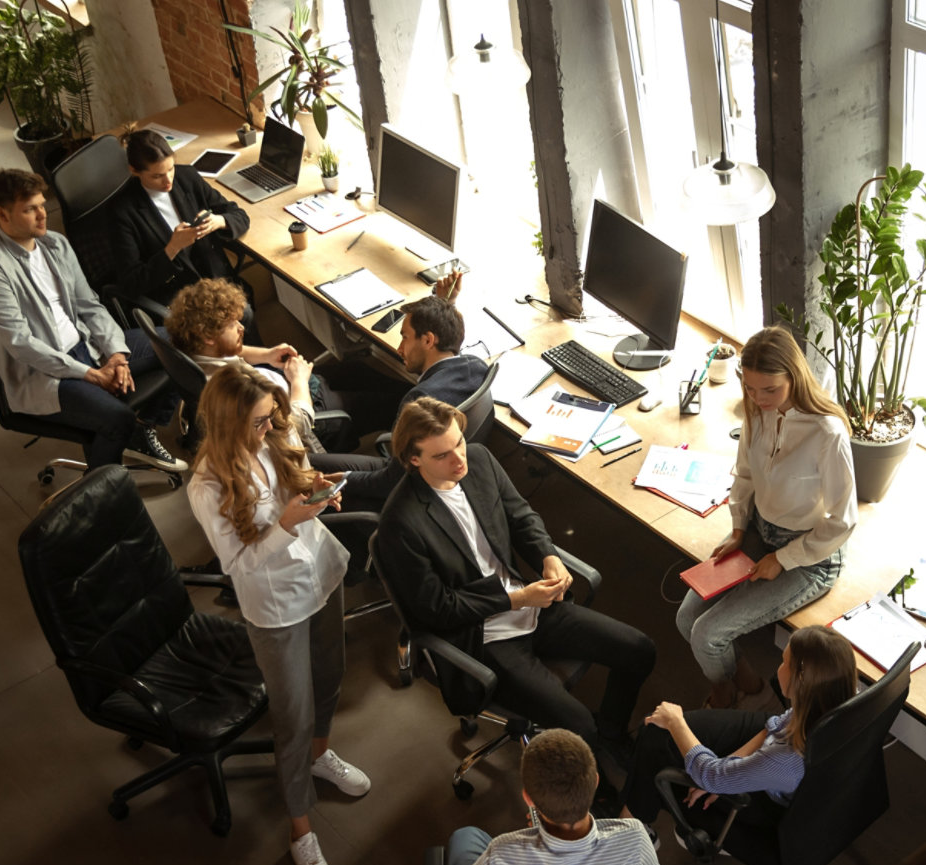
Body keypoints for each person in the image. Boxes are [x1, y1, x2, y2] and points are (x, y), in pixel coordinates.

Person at [375, 398, 656, 801]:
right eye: (442, 455)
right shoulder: (400, 524)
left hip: (531, 604)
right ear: (412, 460)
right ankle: (609, 808)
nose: (458, 460)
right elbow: (436, 609)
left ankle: (612, 734)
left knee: (639, 650)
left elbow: (521, 516)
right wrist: (514, 599)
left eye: (459, 443)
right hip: (483, 636)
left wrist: (549, 555)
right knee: (578, 725)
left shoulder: (480, 461)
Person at [185, 365, 371, 865]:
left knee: (330, 678)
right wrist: (287, 521)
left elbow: (299, 473)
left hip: (321, 574)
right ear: (229, 424)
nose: (271, 428)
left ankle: (321, 756)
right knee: (292, 715)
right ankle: (301, 832)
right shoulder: (205, 487)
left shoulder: (276, 432)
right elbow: (237, 564)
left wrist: (316, 487)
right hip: (275, 606)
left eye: (272, 417)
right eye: (260, 422)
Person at [678, 325, 856, 708]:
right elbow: (744, 475)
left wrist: (784, 559)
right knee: (685, 619)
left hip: (808, 558)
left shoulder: (828, 433)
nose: (759, 399)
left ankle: (725, 691)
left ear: (794, 376)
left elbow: (842, 520)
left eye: (770, 390)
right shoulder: (757, 411)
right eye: (752, 389)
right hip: (759, 531)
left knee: (707, 635)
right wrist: (739, 529)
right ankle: (738, 673)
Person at [0, 168, 185, 472]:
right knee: (116, 418)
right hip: (47, 374)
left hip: (89, 348)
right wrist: (92, 375)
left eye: (43, 205)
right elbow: (22, 344)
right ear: (2, 215)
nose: (43, 215)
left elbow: (89, 305)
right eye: (30, 210)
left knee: (180, 341)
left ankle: (142, 430)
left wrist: (117, 356)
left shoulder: (55, 244)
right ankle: (102, 499)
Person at [618, 626, 857, 842]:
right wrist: (732, 761)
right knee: (655, 733)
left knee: (659, 734)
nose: (779, 668)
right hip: (772, 749)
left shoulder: (786, 760)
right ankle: (631, 821)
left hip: (767, 798)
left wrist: (676, 722)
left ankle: (627, 832)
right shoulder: (827, 702)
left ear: (802, 680)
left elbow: (712, 776)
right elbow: (775, 725)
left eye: (785, 663)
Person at [309, 284, 486, 508]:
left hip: (403, 483)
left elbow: (389, 482)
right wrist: (446, 306)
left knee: (305, 464)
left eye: (405, 337)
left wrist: (346, 478)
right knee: (358, 372)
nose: (400, 349)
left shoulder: (418, 400)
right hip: (431, 472)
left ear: (429, 340)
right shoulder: (476, 366)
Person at [444, 729, 661, 865]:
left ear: (528, 798)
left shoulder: (500, 858)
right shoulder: (637, 840)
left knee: (465, 837)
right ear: (595, 781)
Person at [164, 277, 336, 449]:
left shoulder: (195, 351)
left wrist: (267, 355)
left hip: (281, 386)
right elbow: (295, 425)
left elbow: (233, 351)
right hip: (297, 409)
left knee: (349, 371)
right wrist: (299, 380)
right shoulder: (233, 391)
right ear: (209, 337)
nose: (241, 327)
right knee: (358, 390)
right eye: (232, 325)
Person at [106, 127, 253, 308]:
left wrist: (218, 221)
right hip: (177, 296)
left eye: (170, 169)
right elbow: (132, 283)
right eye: (157, 176)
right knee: (238, 317)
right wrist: (172, 248)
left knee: (244, 310)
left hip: (214, 280)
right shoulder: (122, 212)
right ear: (135, 171)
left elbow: (239, 215)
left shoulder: (186, 177)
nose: (168, 180)